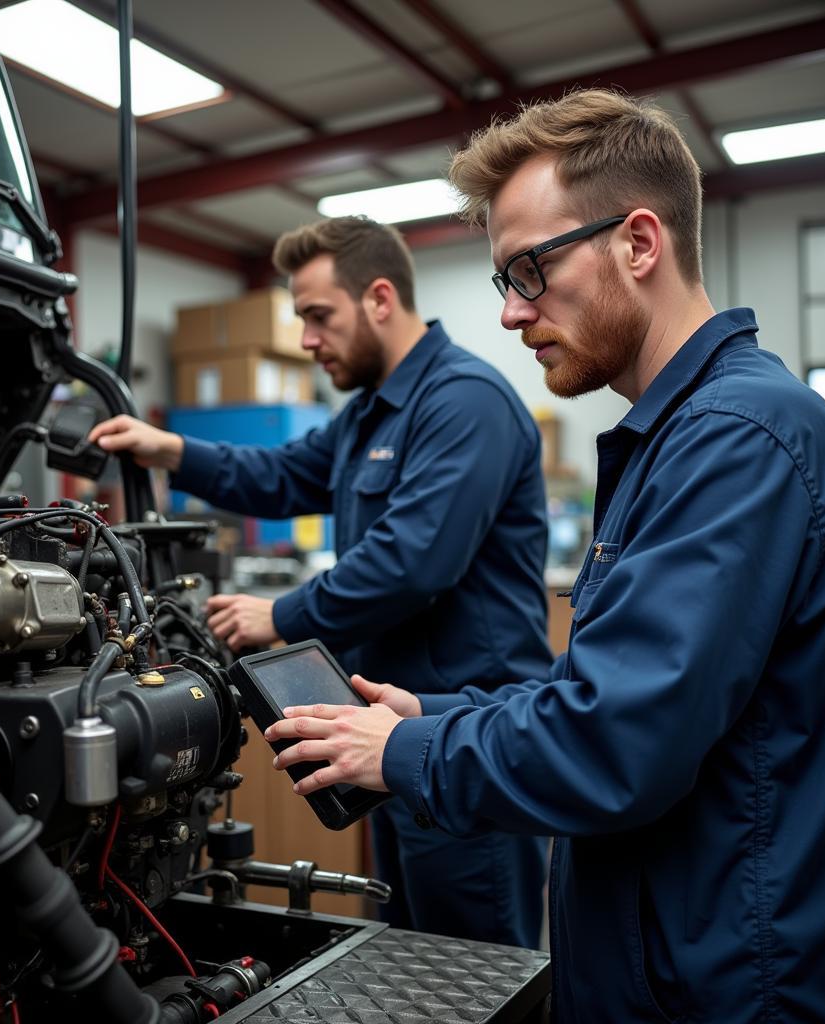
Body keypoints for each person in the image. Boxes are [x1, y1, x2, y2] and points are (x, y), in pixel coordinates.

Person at [262, 90, 825, 1023]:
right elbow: (607, 686)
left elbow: (615, 743)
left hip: (744, 989)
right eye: (504, 281)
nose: (514, 314)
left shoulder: (737, 439)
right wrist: (436, 711)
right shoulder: (682, 435)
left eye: (531, 269)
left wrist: (406, 749)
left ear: (639, 243)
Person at [88, 216, 552, 949]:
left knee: (477, 966)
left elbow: (412, 562)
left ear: (377, 299)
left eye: (317, 316)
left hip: (465, 743)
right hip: (385, 738)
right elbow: (278, 474)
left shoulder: (464, 402)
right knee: (414, 960)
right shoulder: (367, 412)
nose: (307, 340)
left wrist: (283, 613)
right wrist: (170, 448)